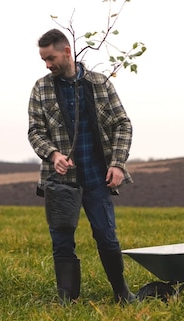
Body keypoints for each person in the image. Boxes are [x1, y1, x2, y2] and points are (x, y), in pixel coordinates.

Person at [27, 28, 136, 304]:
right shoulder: (40, 88)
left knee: (106, 237)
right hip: (60, 181)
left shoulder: (100, 83)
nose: (47, 65)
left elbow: (123, 124)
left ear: (67, 52)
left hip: (98, 178)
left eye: (50, 58)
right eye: (43, 60)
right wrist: (53, 154)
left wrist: (118, 164)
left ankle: (122, 293)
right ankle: (67, 299)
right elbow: (34, 131)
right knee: (62, 240)